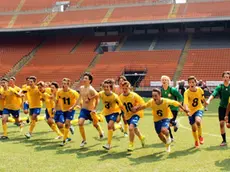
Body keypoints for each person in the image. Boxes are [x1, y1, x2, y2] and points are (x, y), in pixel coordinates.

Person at [133, 88, 189, 152]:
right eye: (153, 96)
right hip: (156, 120)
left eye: (156, 96)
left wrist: (184, 109)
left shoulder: (166, 101)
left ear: (160, 95)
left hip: (165, 118)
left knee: (164, 130)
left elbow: (177, 103)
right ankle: (167, 145)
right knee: (160, 136)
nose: (154, 97)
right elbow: (144, 106)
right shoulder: (151, 102)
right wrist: (136, 109)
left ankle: (168, 138)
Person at [70, 73, 104, 147]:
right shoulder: (81, 88)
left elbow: (97, 97)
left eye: (86, 78)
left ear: (90, 80)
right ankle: (84, 140)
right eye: (83, 78)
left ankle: (101, 132)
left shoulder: (91, 89)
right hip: (84, 110)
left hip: (91, 111)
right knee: (80, 123)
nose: (84, 79)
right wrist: (73, 107)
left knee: (95, 124)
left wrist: (94, 108)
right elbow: (79, 98)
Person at [98, 79, 124, 150]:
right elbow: (95, 96)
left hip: (115, 112)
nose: (106, 88)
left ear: (111, 87)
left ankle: (108, 144)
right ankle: (119, 126)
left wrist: (122, 112)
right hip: (107, 113)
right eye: (104, 87)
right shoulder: (102, 93)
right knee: (112, 128)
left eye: (107, 87)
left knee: (109, 126)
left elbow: (121, 105)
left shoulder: (115, 96)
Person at [119, 81, 145, 151]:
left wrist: (136, 108)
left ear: (129, 87)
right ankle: (141, 137)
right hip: (127, 115)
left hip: (136, 114)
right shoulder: (120, 97)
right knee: (134, 129)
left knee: (131, 128)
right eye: (123, 88)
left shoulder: (134, 95)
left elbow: (143, 103)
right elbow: (120, 107)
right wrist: (119, 114)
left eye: (126, 88)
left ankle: (131, 144)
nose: (124, 90)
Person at [206, 71, 230, 146]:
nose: (225, 78)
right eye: (224, 77)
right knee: (221, 123)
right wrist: (208, 100)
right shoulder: (220, 86)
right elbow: (214, 93)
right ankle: (224, 141)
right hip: (222, 108)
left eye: (227, 77)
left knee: (228, 125)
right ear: (222, 78)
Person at [184, 76, 206, 148]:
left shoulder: (200, 90)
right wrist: (186, 109)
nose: (191, 84)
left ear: (195, 83)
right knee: (193, 128)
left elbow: (202, 98)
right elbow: (186, 103)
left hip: (199, 108)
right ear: (188, 84)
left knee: (198, 121)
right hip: (190, 111)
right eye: (190, 82)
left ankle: (200, 136)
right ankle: (196, 141)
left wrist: (205, 103)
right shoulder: (186, 92)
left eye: (193, 82)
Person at [55, 78, 79, 146]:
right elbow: (56, 100)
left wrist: (75, 106)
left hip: (70, 110)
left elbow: (79, 100)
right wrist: (54, 108)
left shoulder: (73, 92)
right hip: (63, 110)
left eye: (65, 84)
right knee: (62, 123)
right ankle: (70, 126)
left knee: (66, 124)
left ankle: (64, 140)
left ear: (68, 84)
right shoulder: (59, 92)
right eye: (62, 83)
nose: (63, 85)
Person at [160, 75, 183, 141]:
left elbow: (180, 97)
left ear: (168, 82)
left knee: (169, 123)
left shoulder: (172, 90)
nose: (164, 81)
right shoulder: (161, 90)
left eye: (165, 80)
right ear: (161, 81)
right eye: (163, 80)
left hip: (174, 108)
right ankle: (171, 138)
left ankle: (175, 123)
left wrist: (180, 106)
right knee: (166, 124)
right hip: (166, 109)